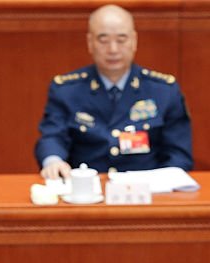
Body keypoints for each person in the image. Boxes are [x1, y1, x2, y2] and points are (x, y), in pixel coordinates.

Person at [35, 4, 193, 180]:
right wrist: (53, 161)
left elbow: (178, 154)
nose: (113, 49)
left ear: (134, 41)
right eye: (103, 40)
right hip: (87, 191)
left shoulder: (164, 91)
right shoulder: (66, 90)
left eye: (121, 39)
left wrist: (163, 186)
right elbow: (52, 137)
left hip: (146, 194)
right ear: (90, 43)